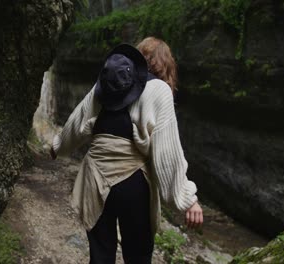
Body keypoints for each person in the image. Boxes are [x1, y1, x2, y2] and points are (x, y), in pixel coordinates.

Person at [49, 37, 203, 264]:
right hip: (133, 182)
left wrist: (58, 146)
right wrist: (188, 199)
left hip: (94, 176)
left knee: (100, 255)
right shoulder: (159, 90)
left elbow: (79, 119)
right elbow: (167, 153)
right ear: (166, 65)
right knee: (138, 255)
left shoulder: (106, 84)